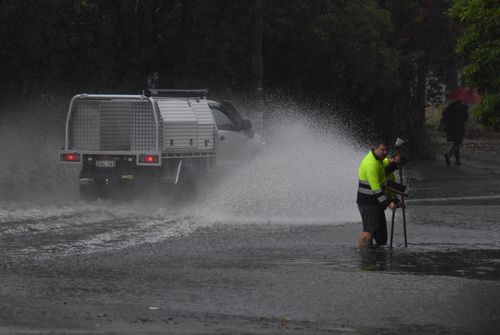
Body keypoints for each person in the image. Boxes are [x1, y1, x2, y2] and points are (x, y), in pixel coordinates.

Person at [357, 140, 401, 249]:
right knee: (369, 230)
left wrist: (394, 162)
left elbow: (384, 170)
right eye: (382, 150)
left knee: (381, 234)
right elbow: (376, 188)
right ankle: (365, 257)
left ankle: (377, 256)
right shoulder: (371, 164)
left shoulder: (379, 160)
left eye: (386, 150)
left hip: (376, 202)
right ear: (375, 149)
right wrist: (388, 203)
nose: (385, 152)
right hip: (367, 202)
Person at [442, 100, 469, 166]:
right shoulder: (464, 107)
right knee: (458, 143)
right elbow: (465, 118)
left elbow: (444, 114)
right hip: (459, 128)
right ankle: (448, 154)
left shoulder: (451, 106)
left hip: (451, 128)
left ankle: (457, 161)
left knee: (456, 143)